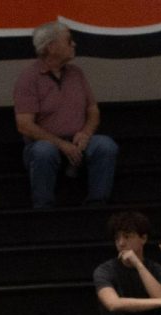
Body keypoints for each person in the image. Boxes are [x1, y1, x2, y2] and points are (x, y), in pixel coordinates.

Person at [14, 21, 118, 209]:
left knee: (105, 146)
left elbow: (93, 110)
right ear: (51, 47)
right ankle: (43, 207)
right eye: (69, 41)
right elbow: (24, 125)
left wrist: (86, 133)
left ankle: (98, 204)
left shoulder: (76, 74)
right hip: (44, 144)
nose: (74, 45)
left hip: (79, 140)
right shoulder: (28, 78)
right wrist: (61, 144)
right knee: (43, 152)